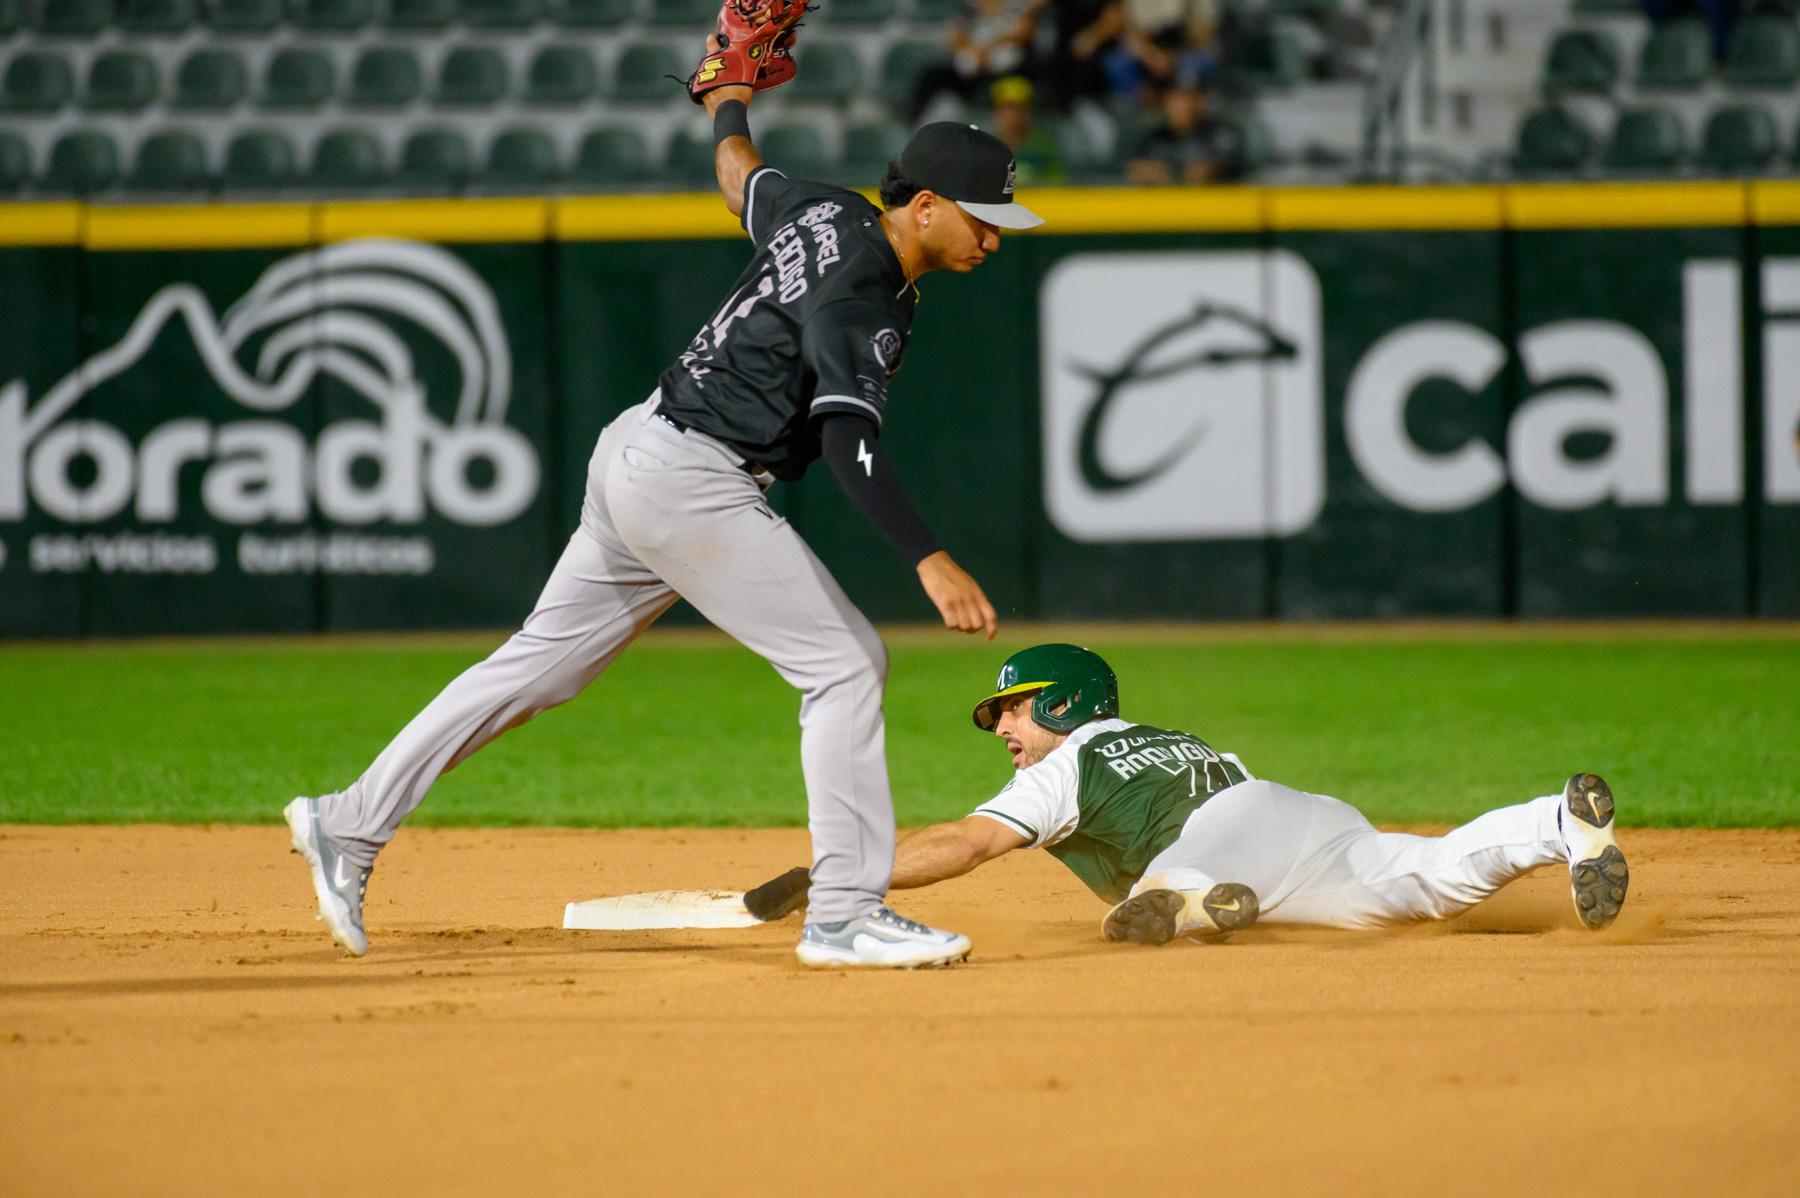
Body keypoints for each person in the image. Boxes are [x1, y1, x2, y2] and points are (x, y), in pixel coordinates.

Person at [283, 47, 1046, 968]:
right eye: (982, 218)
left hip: (639, 451)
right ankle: (843, 911)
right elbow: (848, 442)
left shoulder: (823, 209)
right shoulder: (865, 294)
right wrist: (929, 556)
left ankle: (348, 823)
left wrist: (728, 97)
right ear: (923, 205)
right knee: (845, 665)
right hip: (695, 480)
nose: (994, 238)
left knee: (535, 670)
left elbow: (739, 180)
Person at [745, 644, 1631, 945]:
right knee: (1430, 881)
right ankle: (1555, 824)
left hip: (1217, 838)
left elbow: (969, 843)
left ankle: (1195, 901)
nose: (1004, 729)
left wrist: (850, 876)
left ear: (1061, 704)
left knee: (1146, 903)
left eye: (1012, 709)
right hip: (1304, 820)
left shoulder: (1071, 759)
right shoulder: (1159, 736)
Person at [909, 0, 1044, 121]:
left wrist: (988, 50)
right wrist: (973, 50)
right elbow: (954, 37)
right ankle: (910, 117)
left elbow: (1025, 32)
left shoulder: (1017, 4)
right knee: (934, 74)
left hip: (1008, 69)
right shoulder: (970, 6)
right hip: (973, 65)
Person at [1126, 82, 1244, 185]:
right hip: (1165, 203)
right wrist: (1162, 173)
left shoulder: (1220, 134)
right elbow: (1134, 168)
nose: (1181, 108)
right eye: (1176, 101)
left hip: (1214, 203)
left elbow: (1226, 168)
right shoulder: (1154, 136)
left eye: (1187, 100)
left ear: (1199, 104)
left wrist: (1210, 172)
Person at [990, 75, 1068, 185]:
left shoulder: (1044, 147)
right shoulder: (987, 148)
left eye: (1021, 108)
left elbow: (1059, 183)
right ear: (996, 112)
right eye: (1008, 108)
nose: (1015, 115)